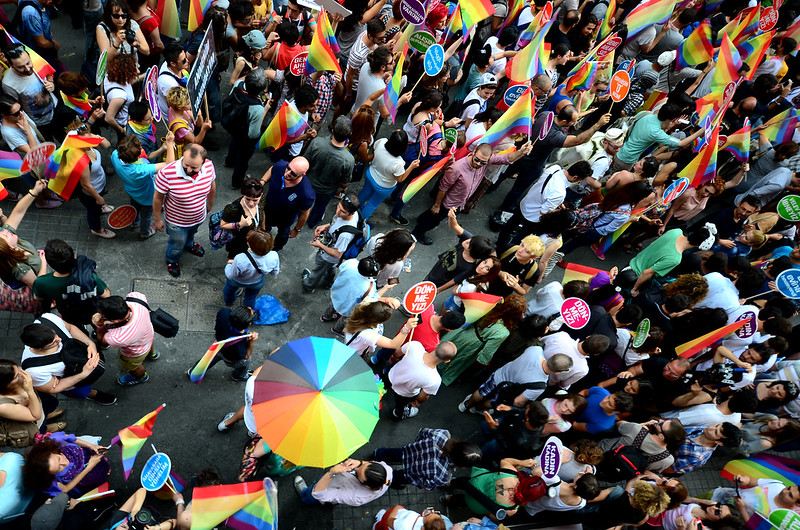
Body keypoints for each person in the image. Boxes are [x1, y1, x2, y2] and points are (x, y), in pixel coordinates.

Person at [411, 142, 533, 245]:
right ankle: (417, 233)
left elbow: (506, 158)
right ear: (474, 152)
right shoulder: (457, 168)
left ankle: (422, 218)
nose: (479, 164)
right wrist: (437, 205)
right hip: (449, 203)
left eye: (483, 162)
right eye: (477, 160)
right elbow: (443, 188)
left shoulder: (487, 160)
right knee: (435, 219)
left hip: (460, 201)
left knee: (432, 215)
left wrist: (522, 151)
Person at [19, 313, 116, 405]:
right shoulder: (34, 370)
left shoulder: (48, 319)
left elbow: (70, 328)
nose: (59, 339)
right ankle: (92, 394)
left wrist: (90, 344)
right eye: (53, 343)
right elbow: (52, 388)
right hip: (73, 384)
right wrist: (83, 375)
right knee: (83, 392)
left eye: (55, 335)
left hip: (80, 358)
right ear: (38, 348)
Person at [153, 143, 217, 278]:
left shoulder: (209, 166)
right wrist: (157, 219)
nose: (188, 170)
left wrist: (210, 204)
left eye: (194, 167)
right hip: (176, 222)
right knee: (177, 243)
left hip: (198, 216)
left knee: (192, 233)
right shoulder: (167, 173)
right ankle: (172, 260)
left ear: (203, 163)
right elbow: (158, 198)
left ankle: (189, 244)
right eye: (186, 164)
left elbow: (212, 186)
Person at [439, 294, 527, 386]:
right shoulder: (503, 332)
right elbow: (486, 353)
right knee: (456, 358)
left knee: (445, 347)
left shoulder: (491, 306)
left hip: (465, 331)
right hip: (472, 345)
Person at [32, 239, 111, 327]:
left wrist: (43, 263)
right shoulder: (89, 277)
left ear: (50, 264)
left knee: (75, 328)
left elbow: (38, 298)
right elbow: (106, 295)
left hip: (69, 313)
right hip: (90, 310)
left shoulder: (42, 283)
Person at [112, 133, 176, 241]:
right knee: (146, 216)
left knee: (134, 207)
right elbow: (170, 164)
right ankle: (145, 233)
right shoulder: (141, 170)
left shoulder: (115, 155)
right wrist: (169, 144)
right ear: (137, 156)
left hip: (131, 191)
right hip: (147, 196)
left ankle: (134, 222)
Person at [460, 351, 573, 413]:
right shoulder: (540, 386)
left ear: (553, 356)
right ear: (558, 372)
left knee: (481, 392)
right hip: (507, 391)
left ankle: (466, 405)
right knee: (492, 401)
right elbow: (518, 402)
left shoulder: (535, 350)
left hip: (499, 375)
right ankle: (477, 409)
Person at [630, 223, 719, 297]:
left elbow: (653, 243)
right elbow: (647, 273)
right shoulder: (675, 259)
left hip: (632, 262)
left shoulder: (676, 231)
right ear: (699, 246)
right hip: (635, 277)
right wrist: (635, 289)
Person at [374, 430, 481, 490]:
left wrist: (418, 445)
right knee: (398, 477)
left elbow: (422, 433)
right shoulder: (443, 477)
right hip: (411, 473)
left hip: (410, 451)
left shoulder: (443, 434)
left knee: (393, 453)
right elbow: (425, 485)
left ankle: (378, 453)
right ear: (463, 466)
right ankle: (389, 479)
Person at [612, 104, 704, 171]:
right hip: (626, 160)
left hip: (617, 150)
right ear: (671, 119)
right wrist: (701, 130)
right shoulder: (656, 133)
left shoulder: (646, 114)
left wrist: (670, 126)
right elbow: (681, 143)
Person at [91, 293, 157, 387]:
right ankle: (153, 353)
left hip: (135, 353)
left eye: (102, 316)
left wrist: (99, 325)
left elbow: (103, 341)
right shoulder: (136, 298)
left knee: (133, 367)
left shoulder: (118, 337)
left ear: (116, 321)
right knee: (148, 345)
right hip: (148, 336)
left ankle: (140, 377)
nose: (99, 315)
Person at [301, 194, 361, 293]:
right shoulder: (354, 214)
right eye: (338, 207)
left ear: (352, 214)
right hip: (332, 255)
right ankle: (329, 282)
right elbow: (337, 221)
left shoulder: (345, 235)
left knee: (318, 270)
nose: (338, 212)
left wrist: (319, 245)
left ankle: (309, 286)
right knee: (331, 267)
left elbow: (337, 254)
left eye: (342, 212)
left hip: (328, 256)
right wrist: (326, 226)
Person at [304, 116, 355, 228]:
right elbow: (345, 182)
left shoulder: (317, 142)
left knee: (303, 202)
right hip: (327, 190)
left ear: (332, 130)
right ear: (350, 134)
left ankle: (300, 216)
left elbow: (305, 162)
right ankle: (312, 223)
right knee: (320, 207)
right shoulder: (348, 159)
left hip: (308, 182)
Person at [359, 130, 419, 221]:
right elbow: (400, 179)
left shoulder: (381, 142)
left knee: (363, 194)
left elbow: (374, 150)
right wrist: (411, 167)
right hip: (383, 187)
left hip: (371, 175)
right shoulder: (398, 163)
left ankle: (353, 211)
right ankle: (361, 221)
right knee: (372, 204)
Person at [22, 434, 110, 496]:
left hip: (86, 457)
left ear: (51, 452)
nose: (65, 463)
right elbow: (65, 489)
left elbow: (69, 438)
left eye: (59, 458)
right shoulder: (47, 482)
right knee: (96, 477)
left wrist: (91, 446)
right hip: (84, 475)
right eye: (59, 468)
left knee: (102, 465)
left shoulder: (52, 440)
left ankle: (105, 468)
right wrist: (89, 467)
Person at [0, 179, 49, 290]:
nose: (7, 230)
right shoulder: (20, 268)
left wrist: (34, 192)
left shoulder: (9, 242)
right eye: (6, 235)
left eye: (3, 232)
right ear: (10, 249)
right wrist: (43, 263)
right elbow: (38, 286)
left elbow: (18, 212)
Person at [259, 156, 315, 251]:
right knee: (263, 231)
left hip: (285, 220)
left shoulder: (306, 193)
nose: (287, 173)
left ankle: (275, 250)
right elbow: (272, 169)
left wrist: (297, 229)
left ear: (303, 175)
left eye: (293, 174)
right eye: (288, 168)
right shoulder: (281, 166)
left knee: (283, 236)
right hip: (267, 211)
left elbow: (304, 213)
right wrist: (262, 182)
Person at [389, 341, 457, 419]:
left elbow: (398, 352)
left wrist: (395, 357)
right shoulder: (435, 380)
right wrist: (418, 402)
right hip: (405, 394)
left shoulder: (415, 346)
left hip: (391, 375)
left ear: (437, 345)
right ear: (447, 360)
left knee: (382, 386)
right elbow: (423, 396)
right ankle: (398, 413)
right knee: (401, 406)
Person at [225, 69, 269, 189]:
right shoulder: (257, 107)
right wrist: (265, 110)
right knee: (243, 159)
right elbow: (253, 134)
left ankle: (228, 161)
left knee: (234, 142)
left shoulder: (238, 85)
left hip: (233, 124)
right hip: (245, 133)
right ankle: (236, 182)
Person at [1, 46, 57, 141]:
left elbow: (48, 74)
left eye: (28, 63)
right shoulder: (9, 84)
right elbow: (16, 107)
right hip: (40, 123)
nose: (27, 69)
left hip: (55, 109)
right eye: (21, 67)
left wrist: (51, 83)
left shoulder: (36, 61)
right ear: (10, 64)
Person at [192, 306, 259, 382]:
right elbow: (246, 356)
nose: (250, 307)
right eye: (252, 313)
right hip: (230, 357)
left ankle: (194, 371)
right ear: (249, 324)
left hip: (219, 347)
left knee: (209, 360)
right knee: (245, 364)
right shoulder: (239, 346)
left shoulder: (224, 313)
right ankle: (239, 376)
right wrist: (251, 341)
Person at [0, 359, 60, 441]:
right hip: (32, 420)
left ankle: (47, 416)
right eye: (17, 375)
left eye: (18, 367)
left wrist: (50, 380)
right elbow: (35, 416)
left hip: (39, 401)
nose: (22, 373)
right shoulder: (3, 406)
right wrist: (30, 391)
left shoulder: (13, 372)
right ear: (6, 383)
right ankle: (46, 429)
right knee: (41, 426)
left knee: (47, 408)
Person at [599, 419, 686, 474]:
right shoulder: (667, 460)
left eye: (661, 423)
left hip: (599, 452)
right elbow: (646, 470)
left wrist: (642, 424)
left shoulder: (636, 430)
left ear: (662, 436)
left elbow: (619, 424)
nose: (659, 420)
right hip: (613, 472)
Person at [294, 458, 392, 506]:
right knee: (334, 500)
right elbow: (369, 464)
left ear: (367, 486)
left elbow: (319, 494)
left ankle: (305, 495)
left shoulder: (355, 496)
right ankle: (329, 504)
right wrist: (360, 462)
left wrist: (331, 473)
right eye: (360, 468)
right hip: (339, 484)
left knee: (312, 494)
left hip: (331, 487)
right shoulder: (386, 470)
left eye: (358, 475)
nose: (355, 469)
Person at [344, 299, 418, 359]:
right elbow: (393, 344)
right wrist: (407, 328)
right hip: (356, 354)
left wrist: (387, 300)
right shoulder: (367, 335)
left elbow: (376, 299)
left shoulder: (365, 305)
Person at [223, 229, 280, 308]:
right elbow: (274, 273)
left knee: (229, 291)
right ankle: (248, 311)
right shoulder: (274, 255)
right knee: (250, 298)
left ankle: (229, 302)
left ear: (249, 244)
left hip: (237, 281)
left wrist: (229, 264)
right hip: (256, 282)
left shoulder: (240, 258)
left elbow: (230, 275)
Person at [711, 474, 800, 519]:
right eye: (789, 488)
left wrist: (741, 509)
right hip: (720, 495)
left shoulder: (782, 517)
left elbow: (753, 527)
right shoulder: (777, 484)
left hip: (722, 516)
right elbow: (750, 481)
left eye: (790, 495)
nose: (785, 491)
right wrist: (743, 479)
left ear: (797, 504)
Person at [666, 422, 742, 474]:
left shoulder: (697, 457)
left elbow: (671, 469)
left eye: (715, 433)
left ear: (719, 443)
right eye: (716, 426)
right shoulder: (704, 429)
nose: (711, 428)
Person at [220, 179, 265, 259]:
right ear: (243, 194)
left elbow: (262, 213)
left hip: (254, 238)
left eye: (255, 200)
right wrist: (240, 224)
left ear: (261, 195)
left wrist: (263, 230)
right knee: (236, 257)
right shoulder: (233, 208)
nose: (251, 203)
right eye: (247, 199)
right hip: (239, 241)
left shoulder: (262, 200)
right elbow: (223, 225)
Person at [523, 473, 602, 518]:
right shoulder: (581, 504)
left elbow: (534, 472)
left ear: (576, 486)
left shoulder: (555, 481)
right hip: (531, 511)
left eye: (581, 476)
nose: (581, 473)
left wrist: (560, 459)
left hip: (523, 500)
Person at [102, 52, 138, 139]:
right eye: (134, 69)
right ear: (125, 73)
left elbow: (130, 82)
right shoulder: (119, 96)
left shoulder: (111, 76)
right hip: (123, 124)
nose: (138, 71)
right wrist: (122, 130)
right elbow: (109, 118)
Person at [156, 44, 190, 119]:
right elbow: (174, 106)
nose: (187, 61)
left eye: (186, 57)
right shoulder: (169, 83)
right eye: (183, 61)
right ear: (173, 63)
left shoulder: (169, 64)